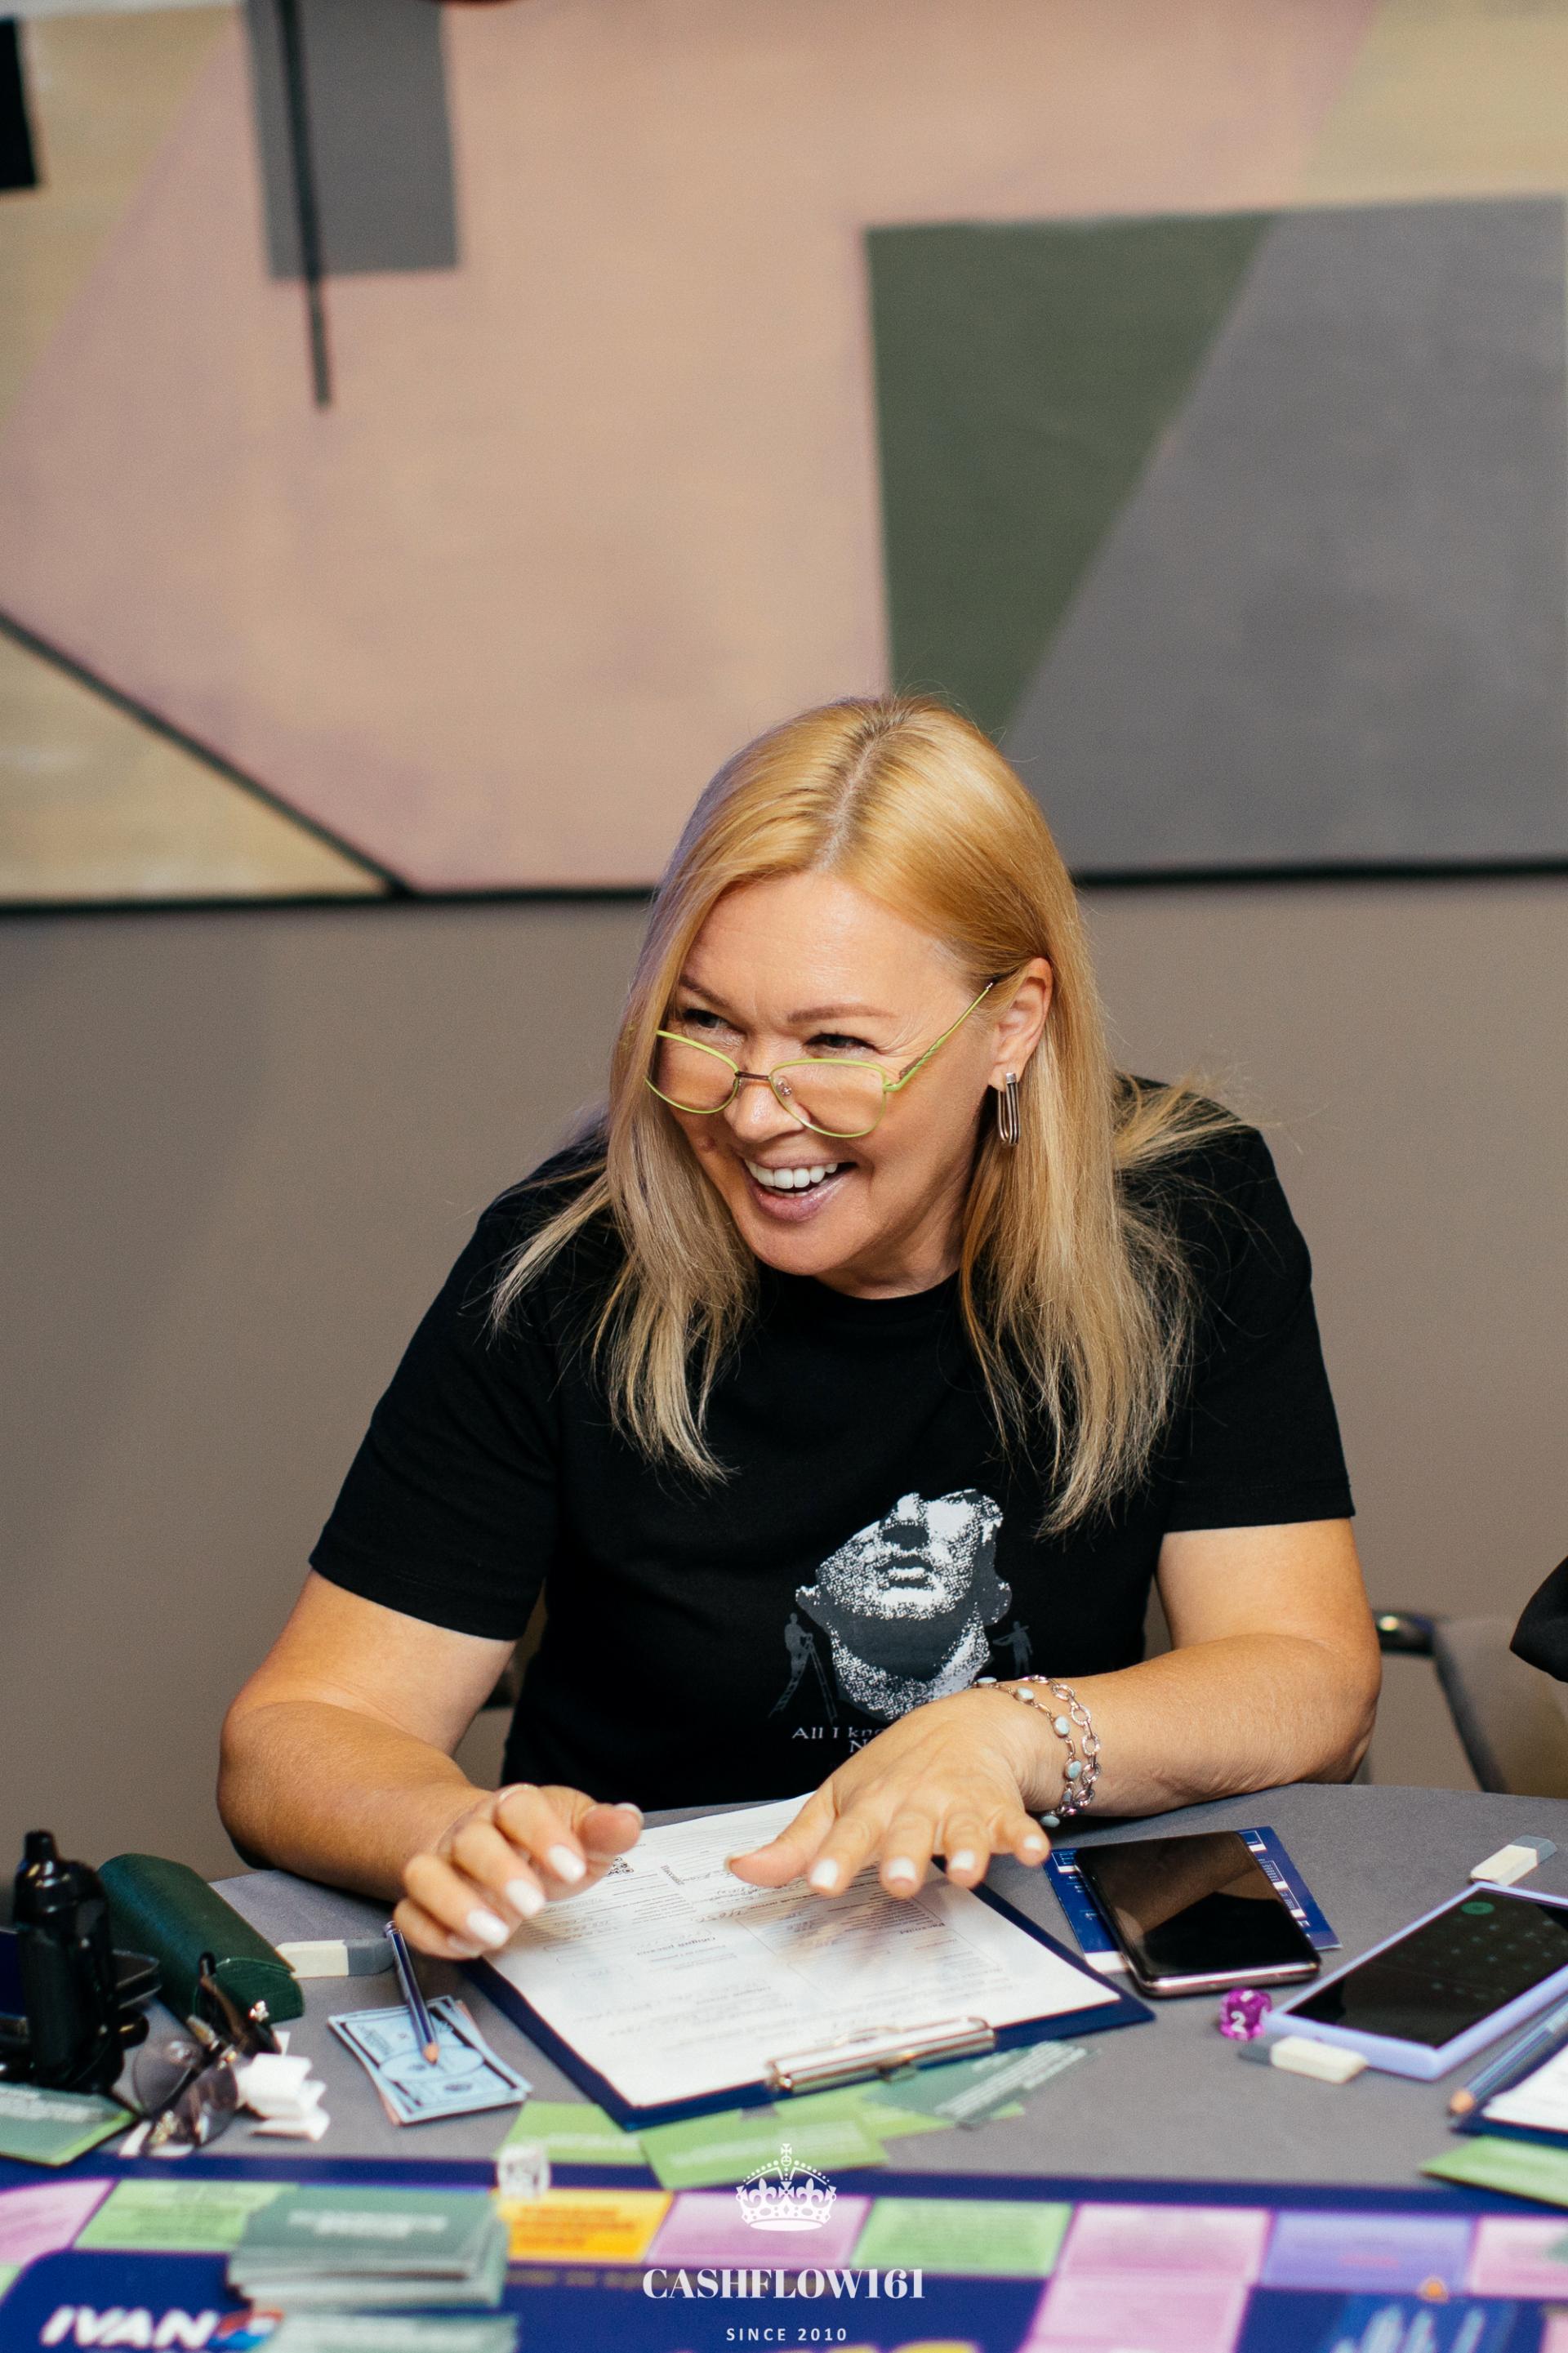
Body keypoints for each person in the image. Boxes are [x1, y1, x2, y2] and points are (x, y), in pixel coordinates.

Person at [220, 696, 1380, 1960]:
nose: (755, 1112)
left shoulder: (1187, 1212)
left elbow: (1308, 1676)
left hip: (1017, 1936)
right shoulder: (564, 1267)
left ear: (1011, 1024)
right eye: (708, 1025)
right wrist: (444, 1829)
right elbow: (293, 1734)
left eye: (834, 1043)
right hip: (642, 1964)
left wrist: (1012, 1732)